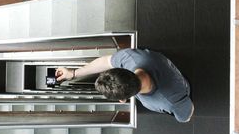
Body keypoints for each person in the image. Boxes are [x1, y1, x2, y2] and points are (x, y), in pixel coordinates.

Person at [55, 48, 194, 123]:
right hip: (165, 67)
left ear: (123, 99)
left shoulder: (171, 101)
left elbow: (187, 115)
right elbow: (105, 61)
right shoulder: (129, 58)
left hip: (182, 87)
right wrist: (73, 73)